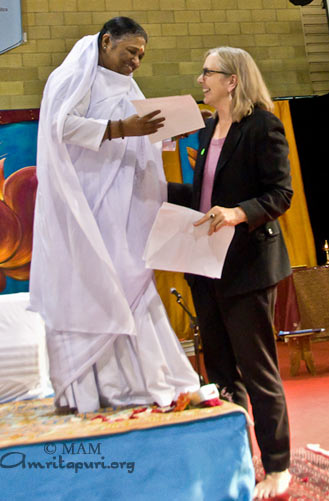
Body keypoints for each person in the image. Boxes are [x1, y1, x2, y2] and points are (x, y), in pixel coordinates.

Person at [29, 17, 199, 414]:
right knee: (94, 284)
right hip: (88, 206)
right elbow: (61, 126)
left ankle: (143, 382)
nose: (136, 61)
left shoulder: (129, 85)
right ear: (106, 42)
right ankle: (89, 390)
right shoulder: (72, 76)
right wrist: (124, 127)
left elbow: (140, 139)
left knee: (132, 281)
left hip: (124, 206)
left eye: (141, 55)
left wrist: (167, 130)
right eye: (130, 52)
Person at [168, 47, 293, 499]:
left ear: (232, 81)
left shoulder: (262, 125)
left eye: (208, 72)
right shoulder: (206, 129)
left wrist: (239, 213)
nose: (200, 79)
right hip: (206, 269)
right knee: (220, 372)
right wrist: (154, 190)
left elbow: (280, 193)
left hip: (247, 268)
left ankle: (279, 466)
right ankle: (237, 457)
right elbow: (205, 196)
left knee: (257, 370)